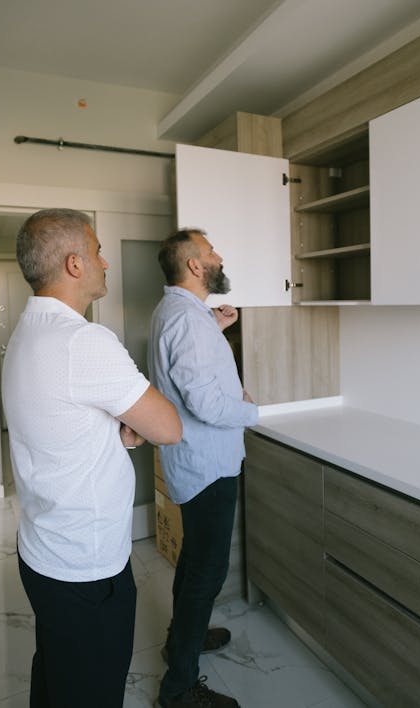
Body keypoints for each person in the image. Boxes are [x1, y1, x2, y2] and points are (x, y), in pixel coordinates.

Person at [1, 208, 182, 708]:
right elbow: (168, 427)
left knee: (57, 674)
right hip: (86, 566)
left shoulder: (27, 331)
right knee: (92, 692)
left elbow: (52, 431)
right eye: (99, 250)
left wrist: (115, 439)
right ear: (75, 264)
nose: (107, 261)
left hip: (43, 550)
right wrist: (139, 425)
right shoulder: (84, 340)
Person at [148, 228, 259, 708]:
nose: (218, 257)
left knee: (195, 560)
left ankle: (180, 640)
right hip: (208, 465)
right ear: (195, 265)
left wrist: (216, 328)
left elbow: (188, 367)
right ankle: (179, 688)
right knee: (205, 574)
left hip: (195, 462)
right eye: (211, 251)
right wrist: (252, 411)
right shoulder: (188, 321)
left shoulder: (181, 313)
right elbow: (207, 403)